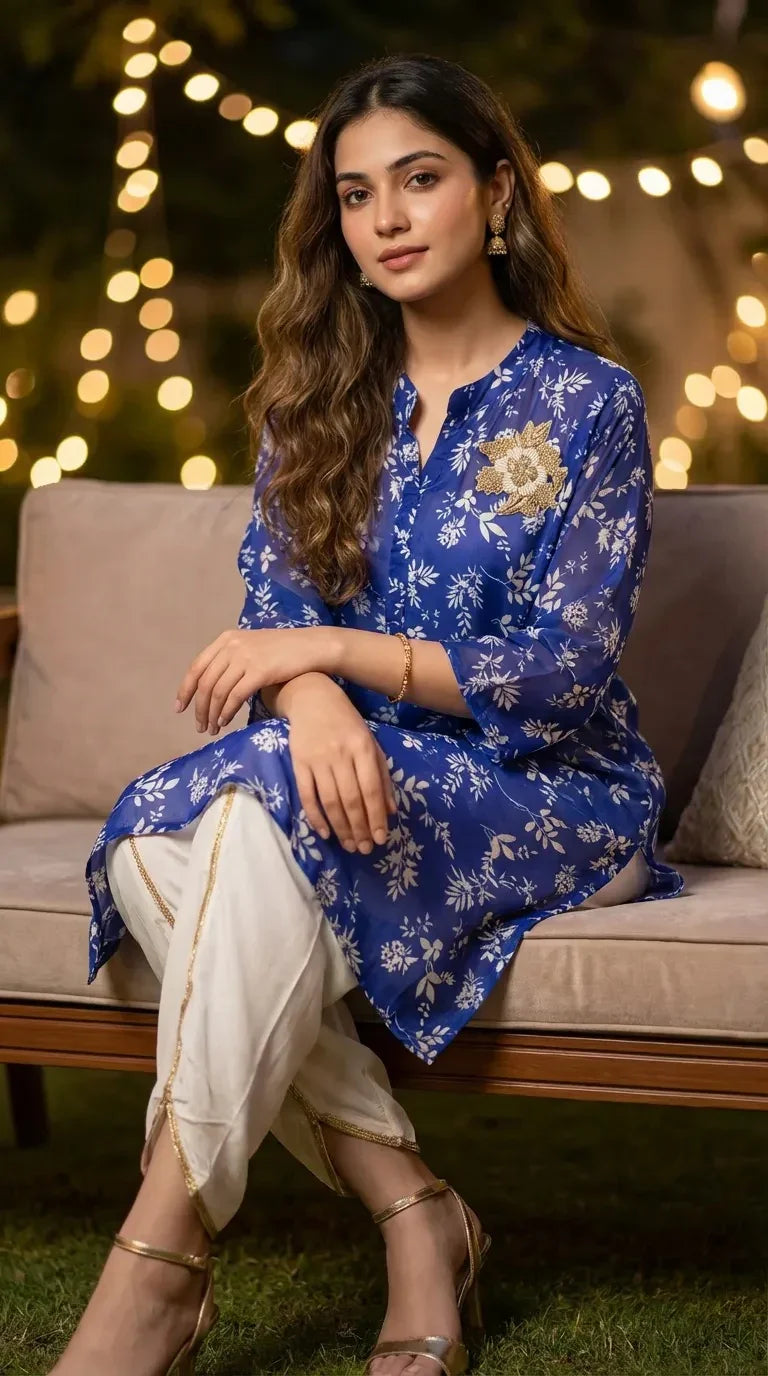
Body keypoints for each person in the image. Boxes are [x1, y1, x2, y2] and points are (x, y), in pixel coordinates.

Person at [54, 50, 685, 1376]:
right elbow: (268, 608)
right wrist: (311, 700)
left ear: (495, 193)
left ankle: (157, 1260)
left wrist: (331, 659)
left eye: (421, 179)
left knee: (225, 814)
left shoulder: (587, 404)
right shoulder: (313, 398)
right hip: (345, 771)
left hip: (551, 789)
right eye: (356, 194)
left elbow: (559, 674)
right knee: (178, 837)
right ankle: (415, 1213)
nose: (387, 217)